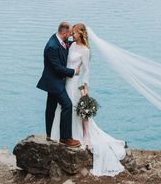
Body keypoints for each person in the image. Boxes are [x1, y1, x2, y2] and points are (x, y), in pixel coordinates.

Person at [50, 23, 127, 176]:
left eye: (75, 32)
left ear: (81, 34)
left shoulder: (85, 51)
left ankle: (76, 135)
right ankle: (61, 135)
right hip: (67, 82)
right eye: (72, 32)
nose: (72, 34)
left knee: (72, 107)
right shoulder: (71, 46)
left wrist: (86, 89)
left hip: (75, 83)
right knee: (65, 107)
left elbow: (86, 71)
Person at [36, 21, 81, 147]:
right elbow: (57, 68)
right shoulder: (52, 46)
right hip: (54, 81)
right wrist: (73, 71)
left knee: (51, 106)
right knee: (67, 105)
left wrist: (80, 44)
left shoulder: (61, 40)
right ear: (65, 32)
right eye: (70, 34)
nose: (71, 36)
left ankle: (49, 134)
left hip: (55, 80)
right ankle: (66, 138)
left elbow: (68, 45)